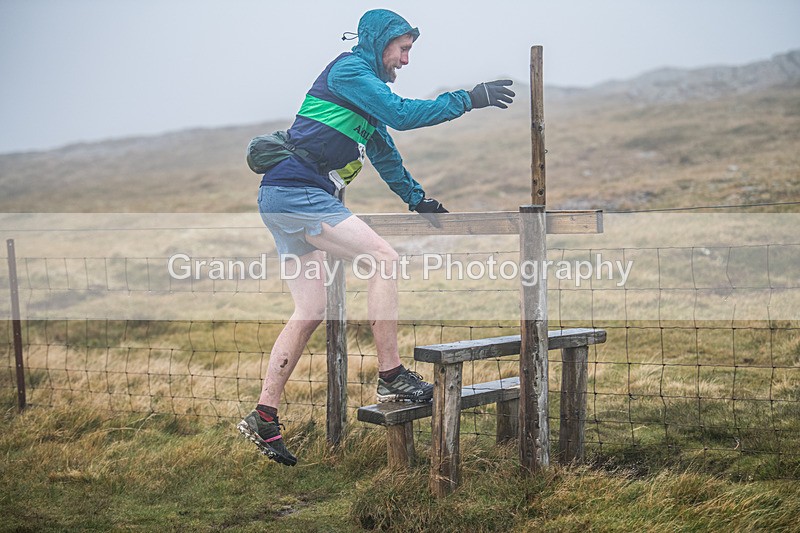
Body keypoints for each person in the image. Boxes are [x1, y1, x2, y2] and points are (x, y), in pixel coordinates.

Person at [237, 9, 515, 466]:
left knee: (310, 310)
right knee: (385, 259)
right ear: (381, 41)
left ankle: (264, 416)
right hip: (298, 192)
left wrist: (418, 200)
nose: (405, 60)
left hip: (279, 196)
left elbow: (386, 152)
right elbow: (404, 116)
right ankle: (391, 375)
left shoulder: (364, 97)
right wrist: (469, 98)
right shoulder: (349, 71)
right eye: (402, 49)